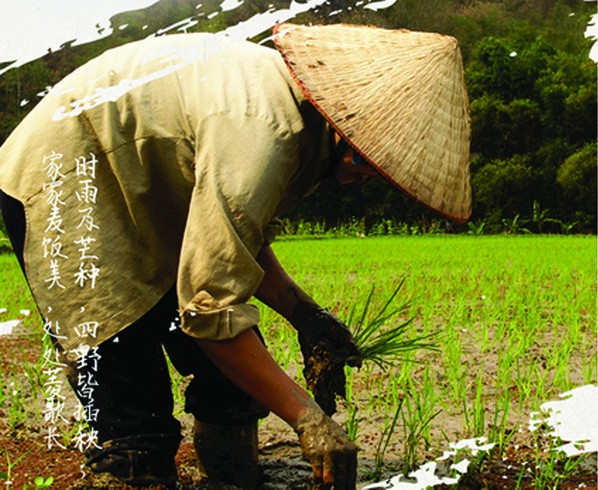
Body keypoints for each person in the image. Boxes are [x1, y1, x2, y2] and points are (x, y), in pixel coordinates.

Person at [0, 23, 471, 489]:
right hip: (67, 179)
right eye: (370, 161)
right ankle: (134, 472)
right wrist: (308, 420)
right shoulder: (263, 134)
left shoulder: (300, 122)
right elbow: (211, 307)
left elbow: (236, 242)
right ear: (347, 126)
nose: (371, 176)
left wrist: (305, 313)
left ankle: (229, 479)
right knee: (132, 417)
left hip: (147, 198)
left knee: (233, 386)